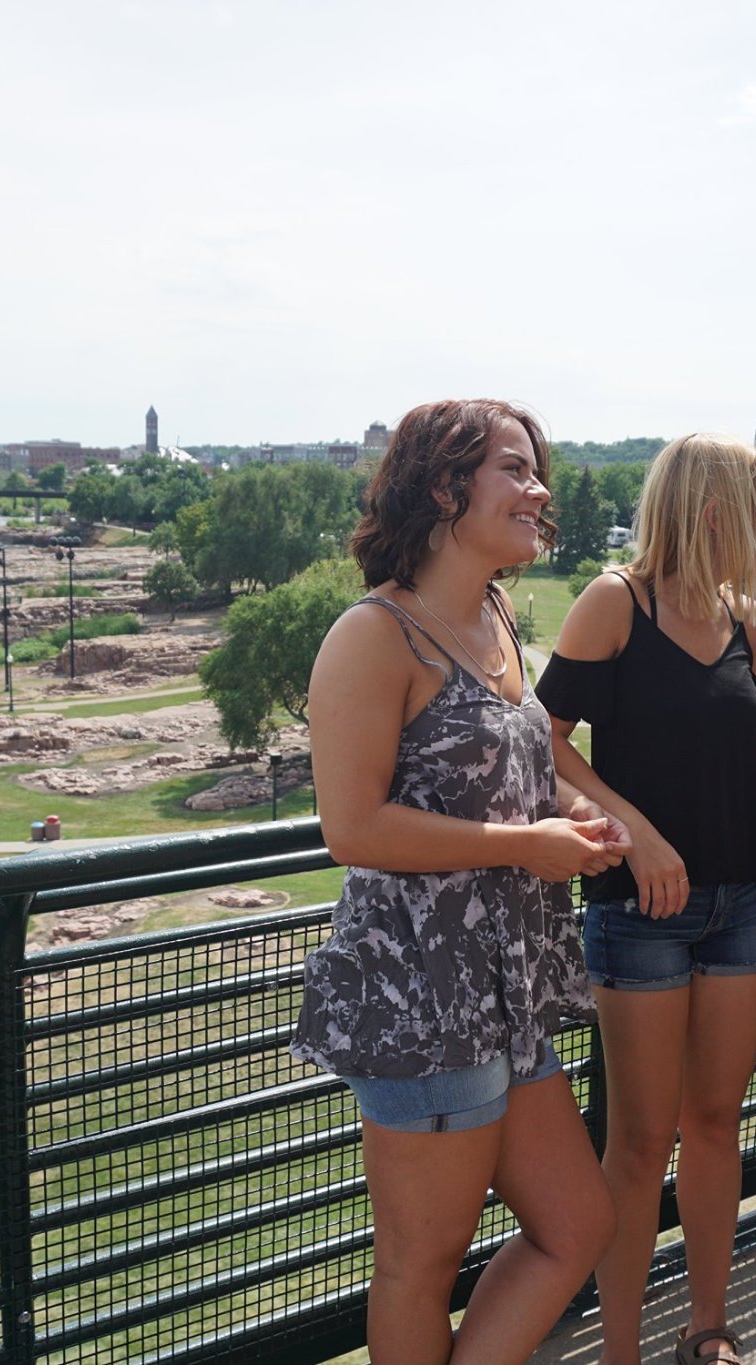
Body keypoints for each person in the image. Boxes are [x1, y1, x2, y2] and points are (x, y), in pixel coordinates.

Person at [289, 398, 627, 1365]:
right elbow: (352, 827)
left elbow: (507, 774)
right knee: (420, 1263)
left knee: (577, 1220)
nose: (539, 490)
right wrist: (527, 847)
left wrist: (572, 822)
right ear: (444, 487)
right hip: (421, 993)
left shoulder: (494, 611)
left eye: (536, 471)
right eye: (515, 470)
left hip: (505, 986)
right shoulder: (373, 635)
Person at [537, 432, 756, 1365]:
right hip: (637, 913)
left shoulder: (748, 619)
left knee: (714, 1125)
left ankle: (708, 1328)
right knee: (638, 1141)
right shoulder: (615, 603)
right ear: (713, 509)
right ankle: (621, 1349)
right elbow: (546, 747)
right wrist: (636, 831)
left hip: (739, 905)